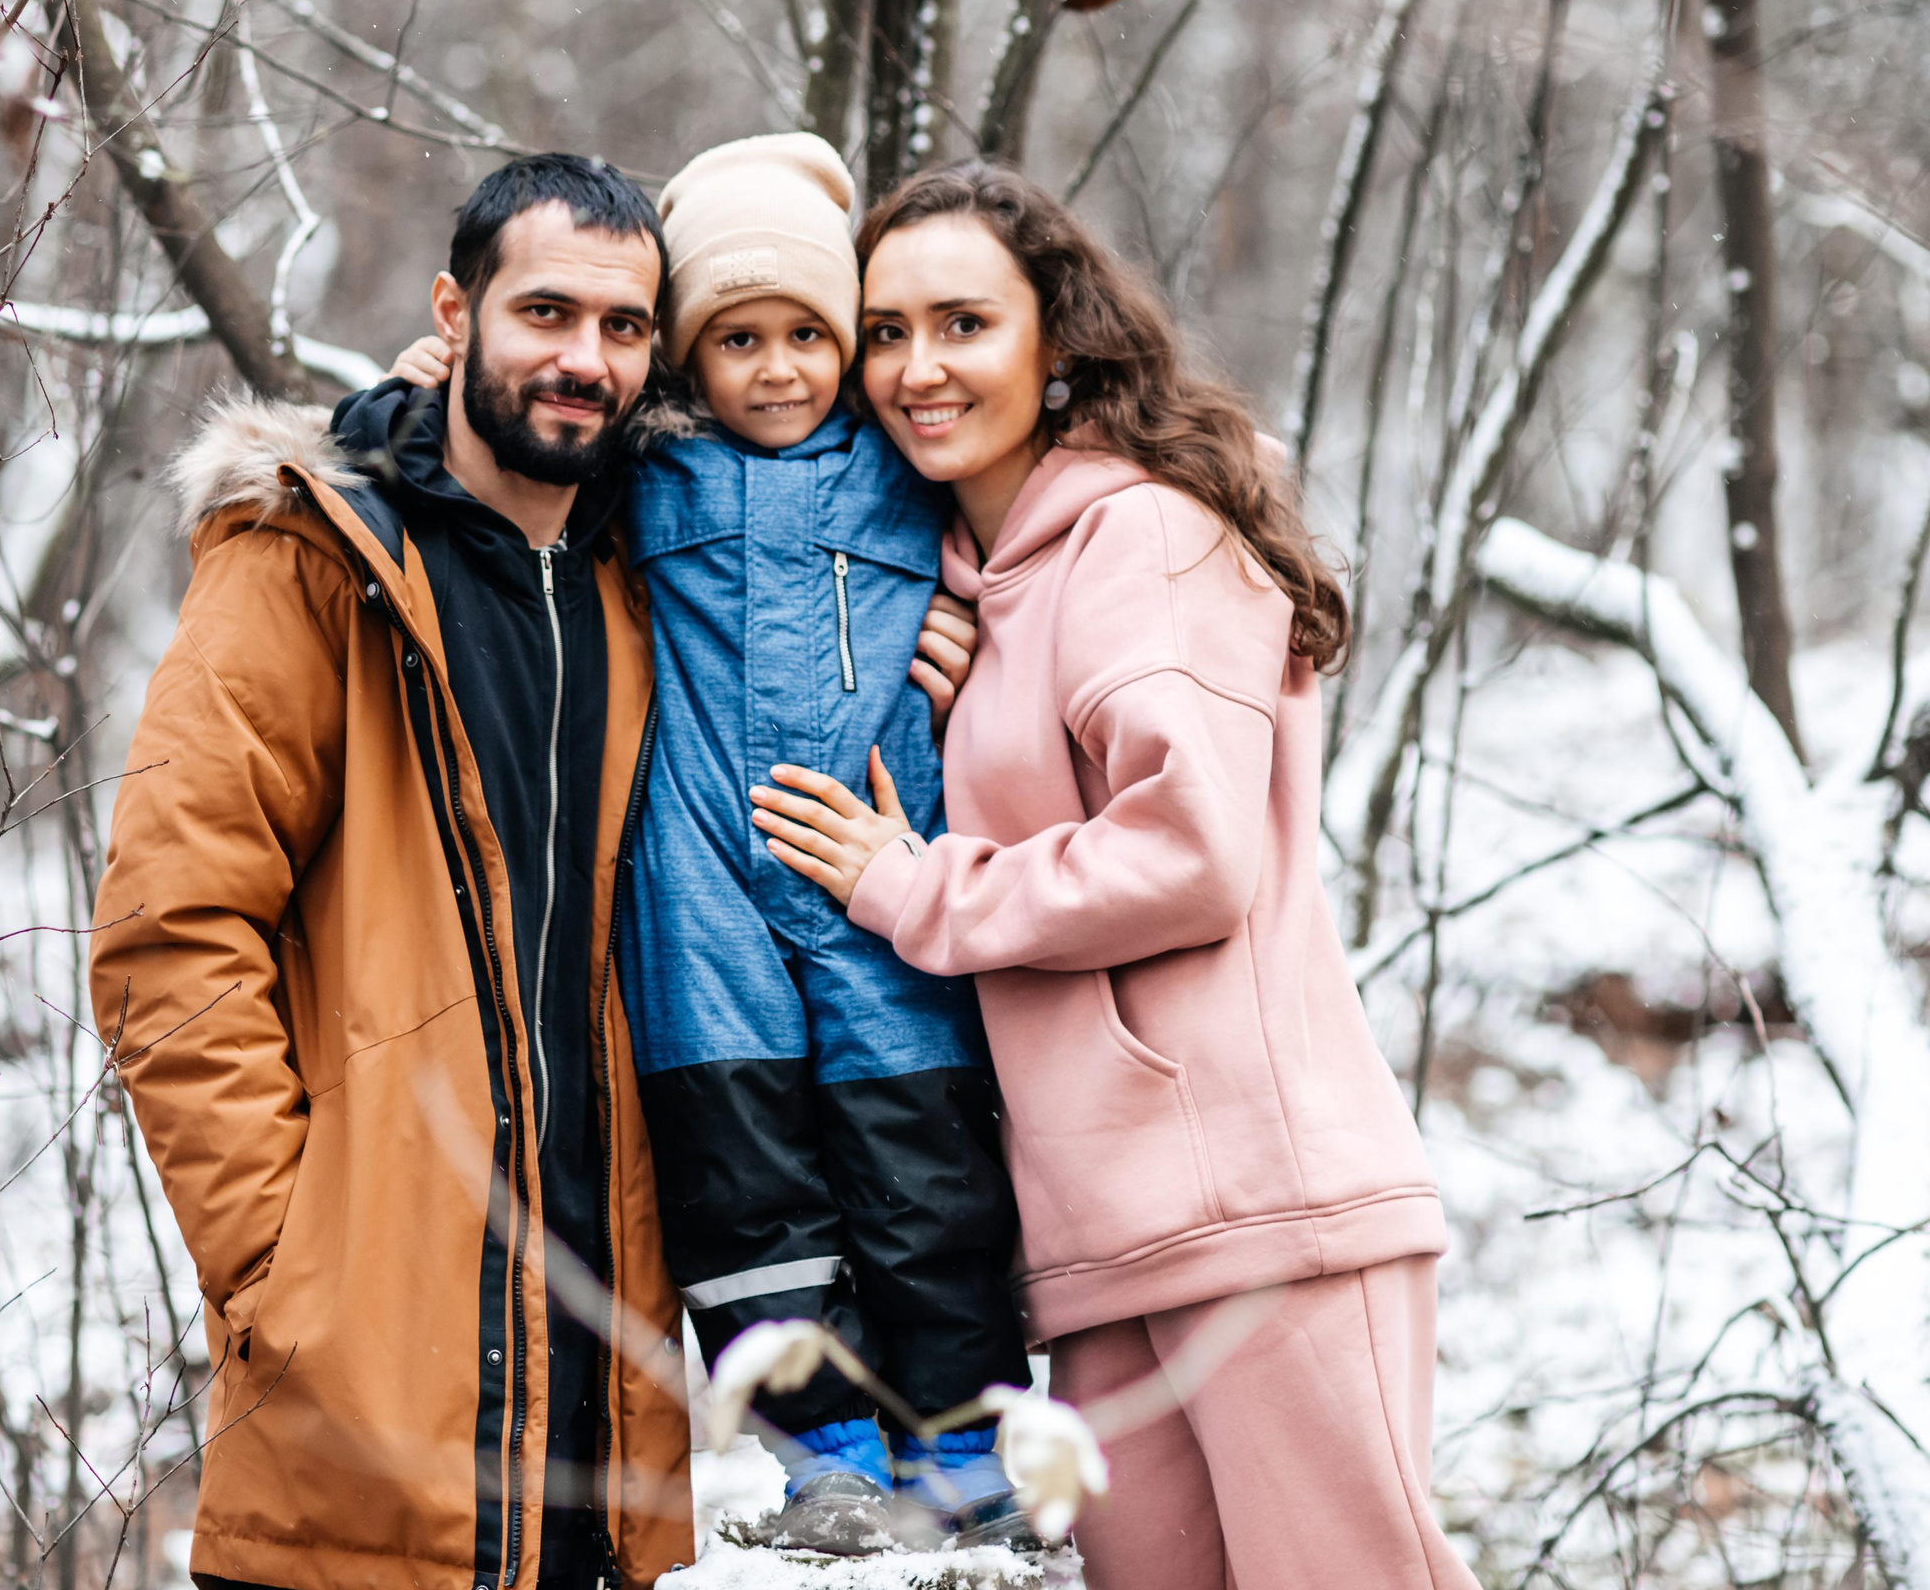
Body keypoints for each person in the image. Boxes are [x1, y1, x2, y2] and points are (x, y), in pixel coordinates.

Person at [750, 162, 1473, 1589]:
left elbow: (1191, 855)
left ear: (1058, 339)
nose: (916, 368)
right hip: (1099, 1244)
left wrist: (917, 885)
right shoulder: (970, 579)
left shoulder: (1141, 532)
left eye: (962, 322)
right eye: (884, 332)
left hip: (1263, 1214)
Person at [388, 133, 1029, 1555]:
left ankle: (969, 1438)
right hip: (701, 890)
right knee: (747, 1181)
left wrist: (986, 644)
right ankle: (832, 1459)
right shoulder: (646, 473)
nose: (783, 369)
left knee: (922, 1161)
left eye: (814, 334)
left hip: (877, 866)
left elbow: (1032, 551)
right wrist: (424, 382)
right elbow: (511, 443)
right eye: (739, 339)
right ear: (690, 356)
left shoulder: (907, 470)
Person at [90, 153, 694, 1590]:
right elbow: (171, 931)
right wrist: (283, 1281)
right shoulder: (314, 554)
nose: (584, 360)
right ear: (454, 310)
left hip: (601, 1438)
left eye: (623, 328)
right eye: (546, 312)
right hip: (356, 1427)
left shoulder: (656, 578)